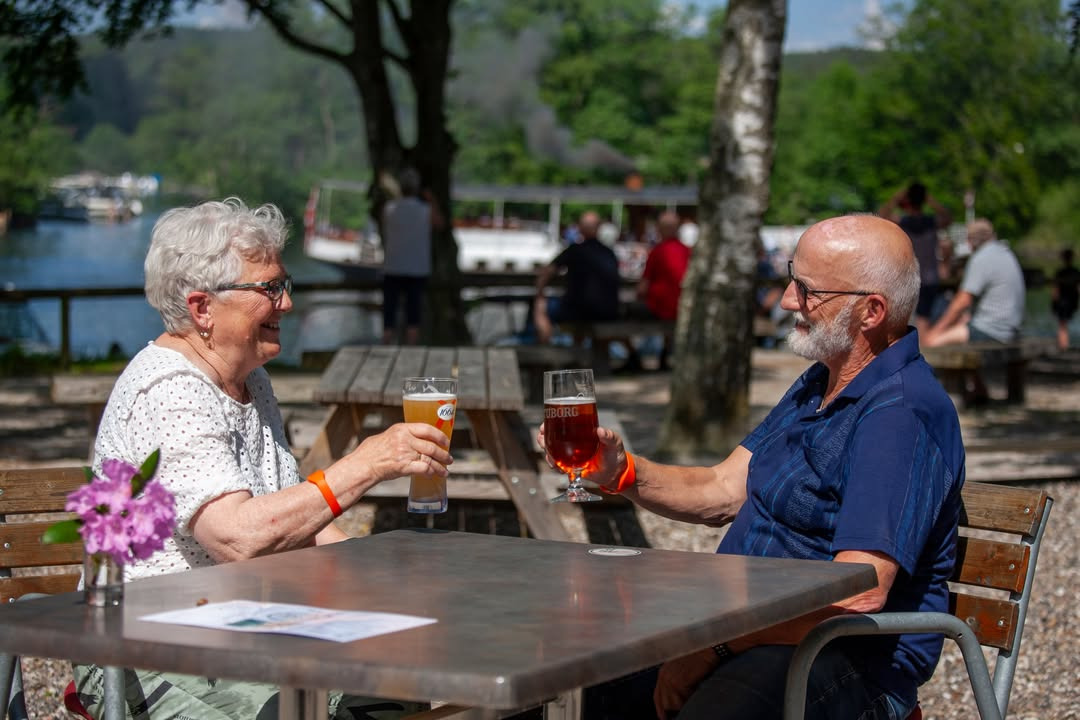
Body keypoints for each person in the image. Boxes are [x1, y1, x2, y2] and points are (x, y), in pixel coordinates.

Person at [539, 214, 966, 720]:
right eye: (791, 278)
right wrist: (620, 472)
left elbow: (860, 591)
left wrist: (712, 647)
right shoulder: (821, 381)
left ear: (871, 311)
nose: (788, 300)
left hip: (841, 659)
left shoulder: (899, 412)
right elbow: (721, 488)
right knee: (561, 676)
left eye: (807, 290)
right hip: (749, 633)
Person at [72, 198, 452, 719]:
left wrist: (391, 581)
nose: (287, 304)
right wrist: (365, 463)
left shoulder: (250, 378)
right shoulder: (169, 388)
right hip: (148, 639)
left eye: (284, 284)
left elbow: (296, 521)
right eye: (269, 289)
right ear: (202, 307)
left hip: (243, 621)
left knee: (394, 681)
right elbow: (238, 538)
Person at [922, 218, 1025, 348]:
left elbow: (962, 301)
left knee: (933, 342)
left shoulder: (981, 258)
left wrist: (935, 332)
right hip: (1010, 328)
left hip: (992, 330)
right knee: (958, 319)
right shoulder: (1006, 253)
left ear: (972, 240)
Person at [533, 210, 620, 345]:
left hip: (579, 312)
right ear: (598, 229)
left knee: (541, 306)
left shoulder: (574, 250)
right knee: (579, 308)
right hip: (608, 312)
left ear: (580, 228)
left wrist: (540, 293)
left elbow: (547, 272)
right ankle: (578, 356)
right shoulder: (609, 253)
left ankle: (543, 353)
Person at [879, 182, 953, 335]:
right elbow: (947, 217)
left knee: (904, 322)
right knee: (925, 319)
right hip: (930, 277)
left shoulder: (903, 223)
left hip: (907, 277)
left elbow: (882, 215)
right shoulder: (930, 223)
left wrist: (897, 197)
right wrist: (929, 200)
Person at [381, 167, 444, 345]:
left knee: (389, 313)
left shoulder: (389, 208)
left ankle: (386, 344)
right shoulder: (425, 210)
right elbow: (440, 224)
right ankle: (411, 348)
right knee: (413, 314)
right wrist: (432, 201)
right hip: (417, 268)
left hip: (393, 266)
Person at [635, 210, 691, 369]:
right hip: (683, 307)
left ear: (660, 229)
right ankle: (665, 354)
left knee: (625, 312)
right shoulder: (688, 251)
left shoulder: (657, 251)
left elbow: (642, 287)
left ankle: (634, 356)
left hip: (660, 308)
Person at [1050, 248, 1080, 350]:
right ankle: (1064, 344)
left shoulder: (1060, 273)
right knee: (1064, 324)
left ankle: (1064, 346)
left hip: (1062, 302)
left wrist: (1053, 304)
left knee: (1062, 324)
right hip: (1071, 302)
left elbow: (1055, 290)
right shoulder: (1076, 272)